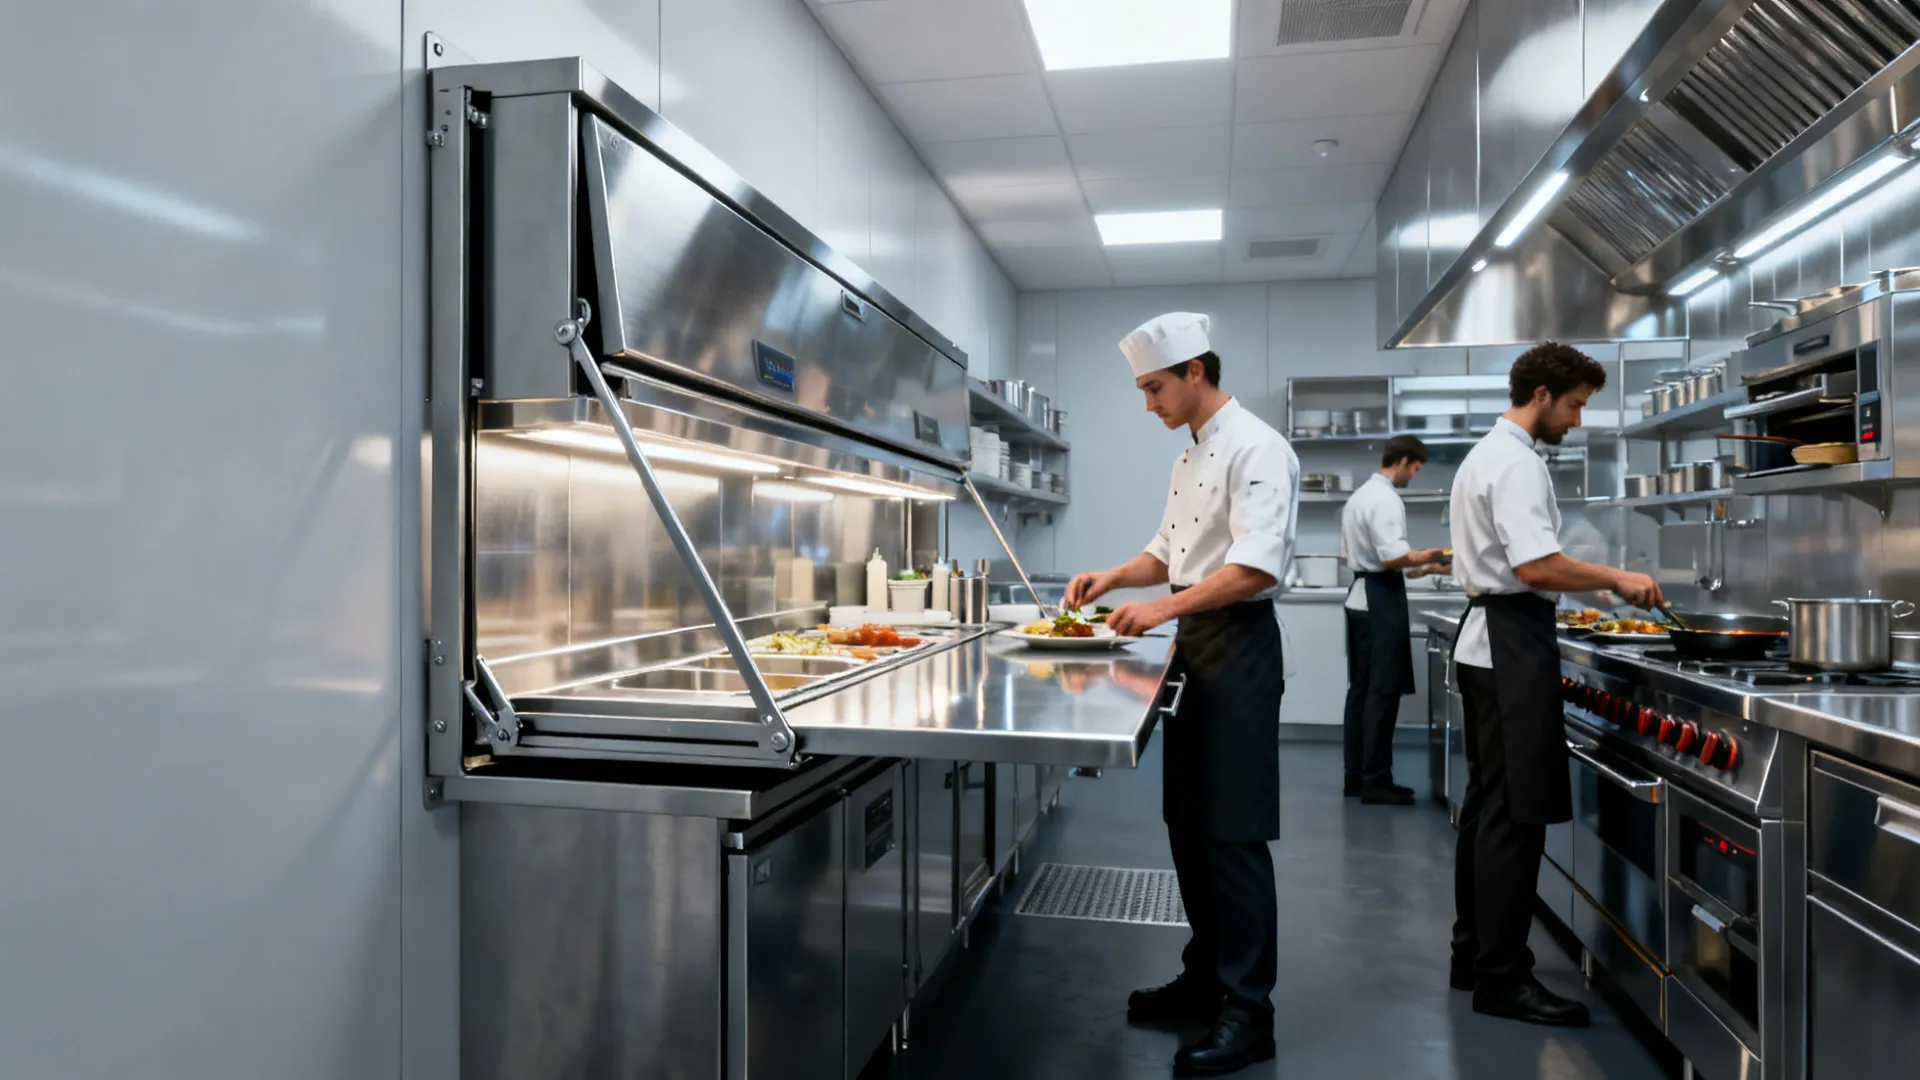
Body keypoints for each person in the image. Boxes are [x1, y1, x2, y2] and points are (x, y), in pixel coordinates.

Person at [1065, 311, 1299, 1076]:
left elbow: (1253, 568)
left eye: (1154, 388)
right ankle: (1206, 978)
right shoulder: (1190, 456)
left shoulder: (1261, 448)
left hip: (1237, 646)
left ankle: (1249, 1010)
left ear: (1196, 371)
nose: (1149, 405)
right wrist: (1112, 576)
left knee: (1232, 832)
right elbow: (1170, 551)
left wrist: (1162, 606)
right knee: (1189, 824)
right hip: (1195, 645)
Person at [1447, 342, 1664, 1027]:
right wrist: (1616, 578)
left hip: (1492, 642)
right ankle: (1502, 978)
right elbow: (1536, 567)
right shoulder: (1513, 463)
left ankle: (1473, 954)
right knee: (1516, 818)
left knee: (1487, 812)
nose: (1576, 420)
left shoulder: (1489, 454)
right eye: (1573, 404)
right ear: (1540, 394)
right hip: (1510, 645)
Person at [1340, 435, 1448, 806]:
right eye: (1415, 468)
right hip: (1379, 600)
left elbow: (1374, 557)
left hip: (1361, 596)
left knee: (1361, 691)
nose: (1413, 476)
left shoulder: (1359, 496)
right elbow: (1391, 558)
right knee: (1382, 693)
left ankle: (1356, 775)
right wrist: (1436, 554)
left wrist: (1425, 564)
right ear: (1402, 460)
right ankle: (1377, 780)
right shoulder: (1386, 498)